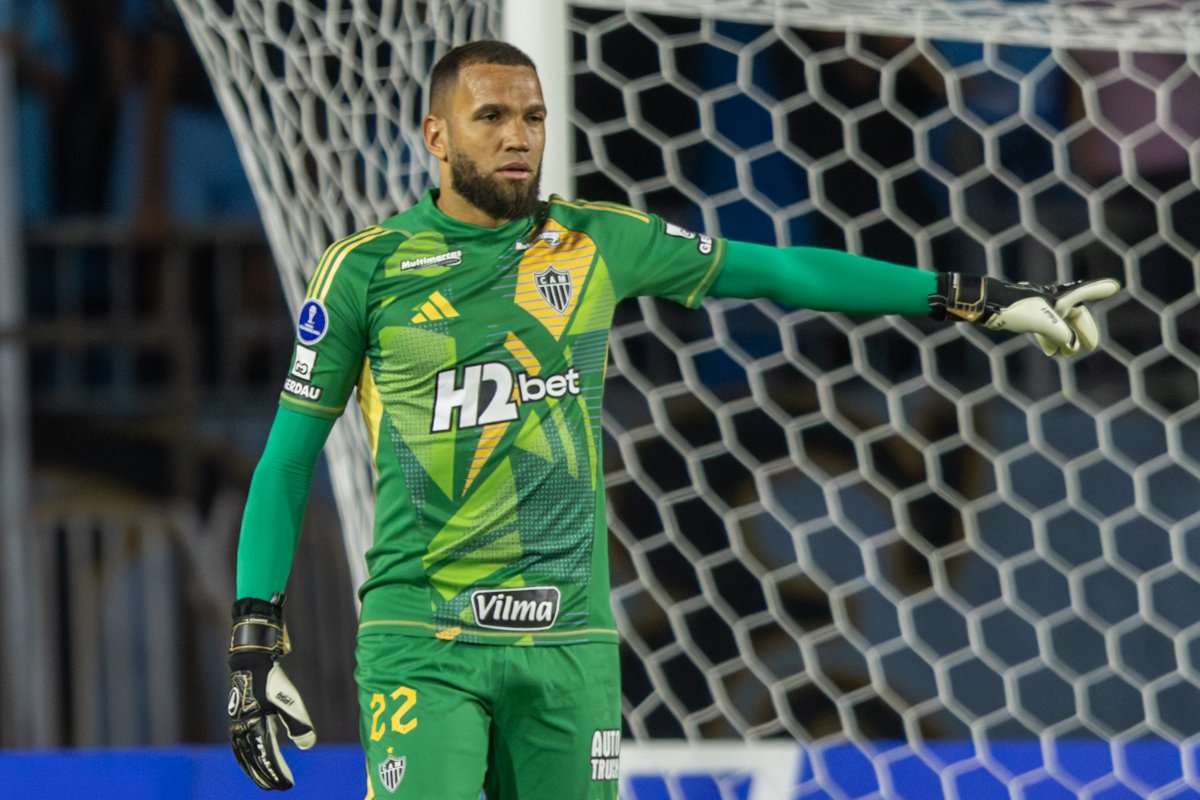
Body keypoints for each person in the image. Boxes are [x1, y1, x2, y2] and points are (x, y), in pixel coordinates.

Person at [225, 39, 1119, 799]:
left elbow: (783, 273)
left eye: (532, 118)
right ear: (435, 134)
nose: (517, 139)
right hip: (426, 639)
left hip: (570, 643)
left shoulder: (595, 242)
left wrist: (974, 298)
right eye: (490, 117)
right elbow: (287, 464)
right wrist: (254, 645)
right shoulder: (366, 271)